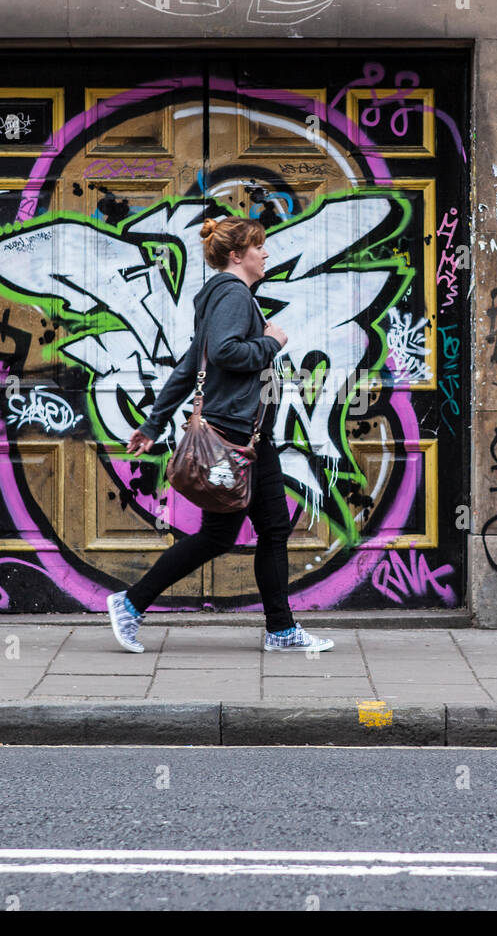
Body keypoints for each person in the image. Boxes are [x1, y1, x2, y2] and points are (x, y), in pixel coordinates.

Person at [106, 215, 335, 655]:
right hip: (235, 439)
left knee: (258, 531)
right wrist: (272, 342)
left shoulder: (224, 296)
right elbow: (228, 352)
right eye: (259, 247)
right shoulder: (232, 295)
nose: (266, 253)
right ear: (237, 255)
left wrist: (155, 423)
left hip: (245, 437)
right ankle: (132, 603)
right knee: (250, 532)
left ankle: (279, 629)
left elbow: (190, 365)